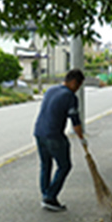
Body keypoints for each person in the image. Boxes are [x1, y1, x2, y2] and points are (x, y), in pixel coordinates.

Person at [33, 69, 87, 212]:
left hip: (39, 133)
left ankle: (46, 195)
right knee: (65, 166)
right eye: (79, 86)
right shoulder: (70, 97)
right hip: (53, 135)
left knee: (46, 165)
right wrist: (82, 139)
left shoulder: (51, 90)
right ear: (74, 82)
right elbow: (75, 122)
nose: (78, 90)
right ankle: (50, 197)